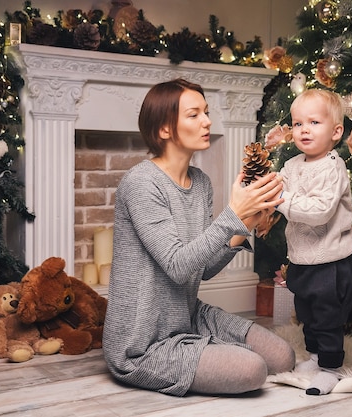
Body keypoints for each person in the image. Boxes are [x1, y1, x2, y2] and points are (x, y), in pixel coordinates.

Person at [102, 78, 295, 397]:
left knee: (282, 357)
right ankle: (203, 353)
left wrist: (246, 222)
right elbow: (178, 266)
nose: (207, 121)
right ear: (165, 129)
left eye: (206, 112)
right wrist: (233, 213)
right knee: (252, 370)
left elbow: (201, 269)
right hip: (143, 342)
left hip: (188, 314)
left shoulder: (201, 183)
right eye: (194, 115)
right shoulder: (140, 184)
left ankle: (205, 348)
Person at [274, 88, 352, 395]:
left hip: (331, 261)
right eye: (297, 124)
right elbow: (277, 186)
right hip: (302, 257)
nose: (304, 129)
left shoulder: (333, 167)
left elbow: (320, 211)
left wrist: (280, 198)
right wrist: (262, 184)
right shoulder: (293, 165)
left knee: (328, 315)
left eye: (314, 122)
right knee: (307, 312)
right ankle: (314, 356)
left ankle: (331, 367)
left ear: (336, 132)